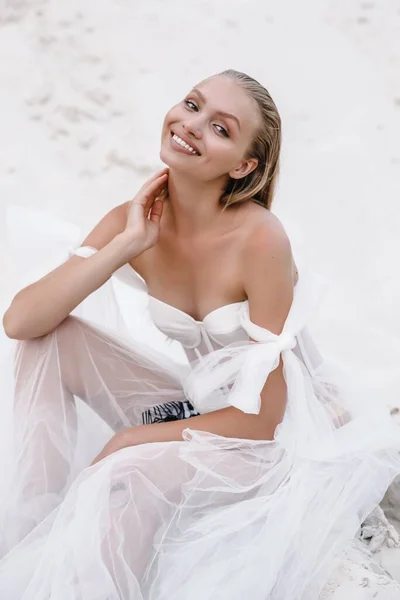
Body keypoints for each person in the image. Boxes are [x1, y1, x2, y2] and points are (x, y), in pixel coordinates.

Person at [0, 69, 399, 599]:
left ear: (243, 165)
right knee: (51, 340)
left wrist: (127, 441)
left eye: (219, 128)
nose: (190, 125)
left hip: (273, 439)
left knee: (131, 469)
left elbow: (264, 417)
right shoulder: (136, 217)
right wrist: (125, 245)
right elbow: (21, 322)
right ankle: (36, 534)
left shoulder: (259, 240)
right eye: (191, 104)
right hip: (196, 407)